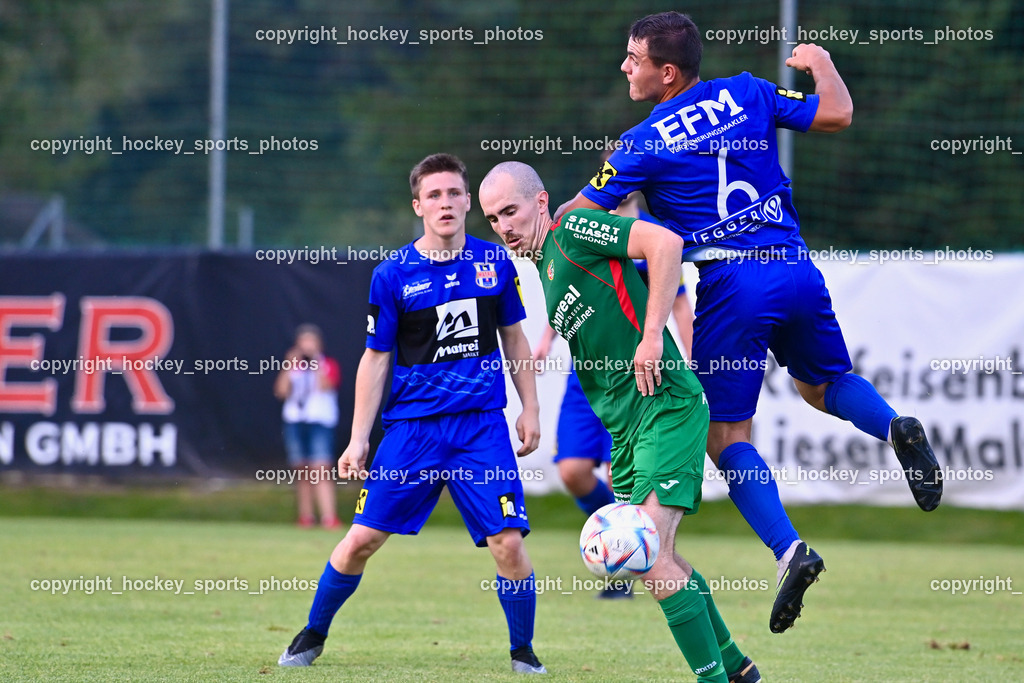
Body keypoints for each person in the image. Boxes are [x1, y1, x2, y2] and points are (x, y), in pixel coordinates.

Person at [554, 11, 942, 633]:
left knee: (725, 439)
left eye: (634, 58)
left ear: (668, 72)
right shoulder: (749, 90)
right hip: (794, 266)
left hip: (733, 284)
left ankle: (791, 550)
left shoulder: (641, 142)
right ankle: (894, 426)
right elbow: (837, 114)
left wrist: (534, 219)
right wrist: (822, 65)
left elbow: (578, 216)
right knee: (825, 384)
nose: (625, 67)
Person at [480, 161, 761, 683]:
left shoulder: (571, 230)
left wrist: (654, 335)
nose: (503, 226)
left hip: (666, 407)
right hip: (628, 429)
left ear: (540, 202)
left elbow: (664, 244)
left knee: (648, 558)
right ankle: (736, 668)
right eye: (494, 218)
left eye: (511, 211)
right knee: (662, 558)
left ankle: (715, 679)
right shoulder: (543, 266)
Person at [278, 154, 546, 675]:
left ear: (468, 201)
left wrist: (529, 408)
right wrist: (358, 439)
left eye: (454, 193)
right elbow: (375, 358)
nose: (445, 203)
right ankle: (312, 634)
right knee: (360, 540)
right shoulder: (393, 274)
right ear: (418, 206)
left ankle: (523, 653)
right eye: (434, 196)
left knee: (508, 544)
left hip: (480, 428)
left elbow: (514, 340)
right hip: (412, 431)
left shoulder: (495, 263)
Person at [532, 190, 693, 601]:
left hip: (642, 375)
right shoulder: (578, 228)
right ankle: (623, 541)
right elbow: (571, 299)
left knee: (620, 483)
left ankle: (628, 553)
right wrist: (546, 340)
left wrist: (689, 357)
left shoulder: (637, 236)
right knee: (571, 470)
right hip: (592, 377)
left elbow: (677, 304)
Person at [273, 324, 342, 529]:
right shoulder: (294, 367)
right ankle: (306, 516)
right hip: (296, 421)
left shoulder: (328, 363)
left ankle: (329, 516)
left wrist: (316, 363)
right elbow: (280, 392)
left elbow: (326, 385)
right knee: (302, 470)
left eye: (311, 342)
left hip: (319, 422)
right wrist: (288, 365)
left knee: (321, 469)